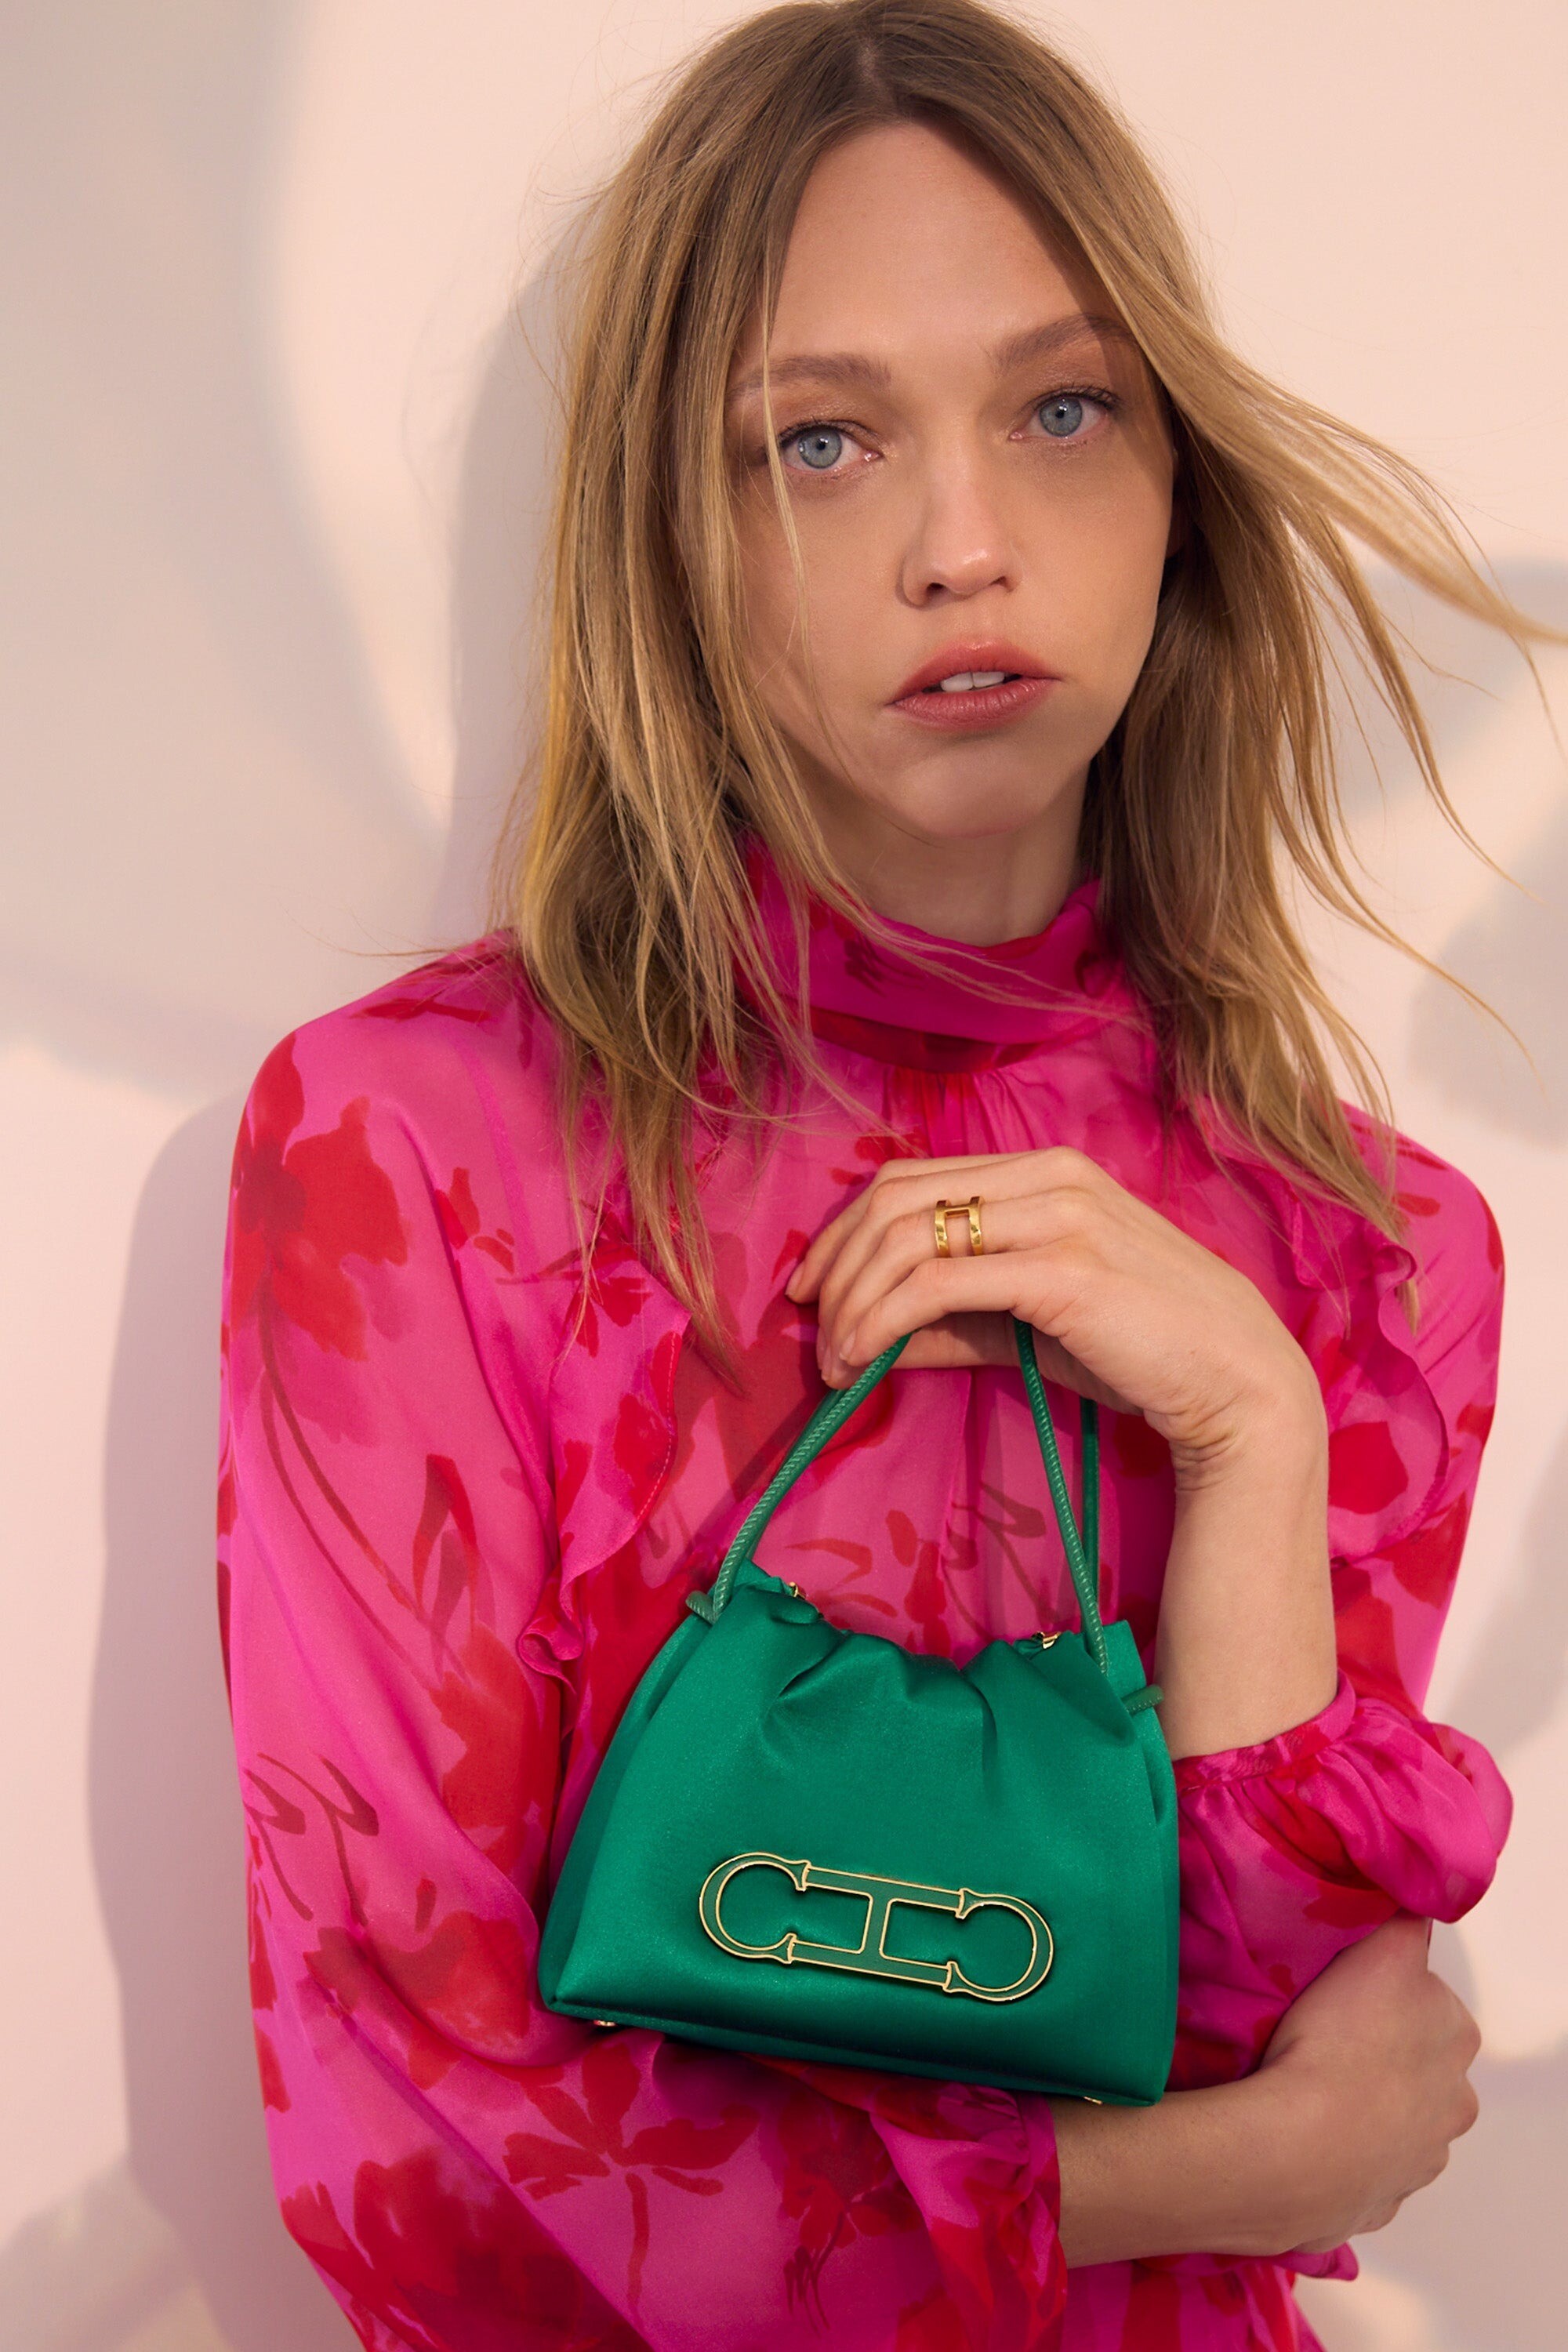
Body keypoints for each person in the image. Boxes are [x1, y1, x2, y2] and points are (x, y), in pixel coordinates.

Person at [217, 3, 1537, 2344]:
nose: (964, 544)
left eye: (1063, 409)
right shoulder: (421, 1154)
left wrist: (1249, 1429)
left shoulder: (1370, 1249)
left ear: (1178, 479)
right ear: (676, 533)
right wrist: (1177, 2185)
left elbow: (1253, 2022)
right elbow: (426, 2164)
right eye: (819, 442)